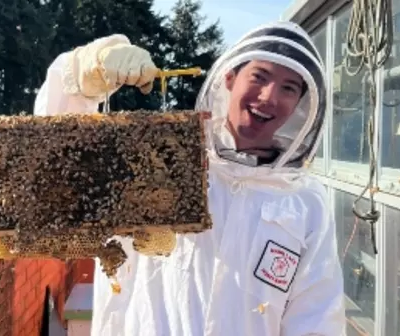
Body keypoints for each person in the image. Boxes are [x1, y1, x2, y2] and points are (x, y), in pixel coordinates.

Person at [34, 21, 345, 336]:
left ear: (300, 105)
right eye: (259, 76)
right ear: (229, 78)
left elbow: (316, 316)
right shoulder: (156, 159)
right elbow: (61, 164)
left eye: (288, 88)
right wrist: (85, 74)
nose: (268, 96)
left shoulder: (305, 202)